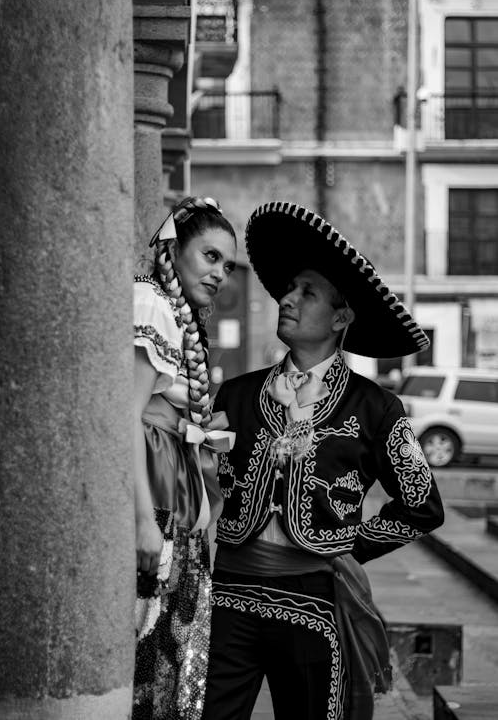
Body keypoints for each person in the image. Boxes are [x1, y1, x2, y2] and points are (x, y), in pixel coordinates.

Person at [202, 201, 445, 720]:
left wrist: (344, 545)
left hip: (314, 598)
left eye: (306, 292)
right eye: (290, 288)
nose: (286, 298)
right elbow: (200, 481)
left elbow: (422, 507)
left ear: (341, 317)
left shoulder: (376, 406)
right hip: (231, 593)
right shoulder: (236, 397)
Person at [132, 196, 237, 720]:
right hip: (154, 495)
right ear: (175, 250)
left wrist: (199, 429)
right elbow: (126, 414)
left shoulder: (178, 316)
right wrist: (142, 525)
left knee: (174, 660)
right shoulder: (150, 303)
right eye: (211, 256)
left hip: (174, 490)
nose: (220, 273)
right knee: (151, 656)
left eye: (227, 265)